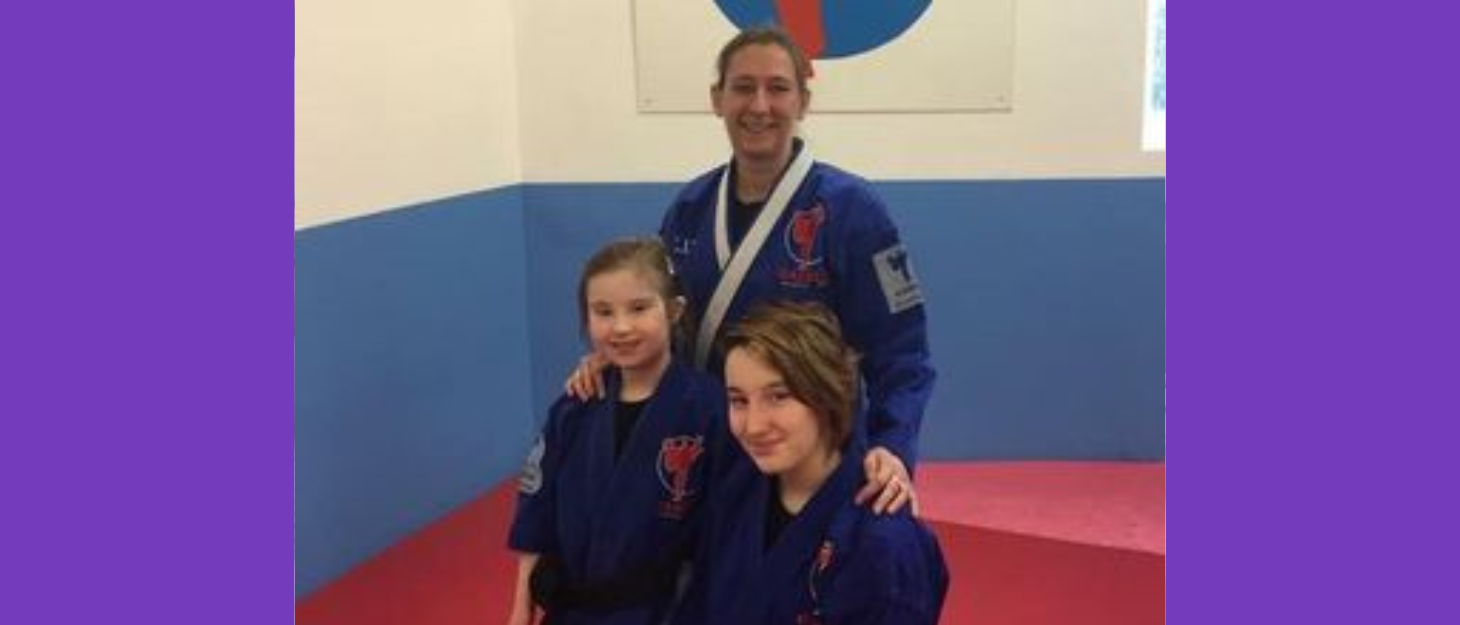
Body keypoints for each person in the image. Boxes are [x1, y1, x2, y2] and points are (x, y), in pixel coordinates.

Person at [570, 25, 935, 515]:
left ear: (803, 102)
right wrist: (617, 355)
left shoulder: (854, 211)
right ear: (717, 99)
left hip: (809, 458)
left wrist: (892, 444)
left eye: (778, 88)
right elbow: (664, 322)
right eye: (743, 87)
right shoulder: (690, 209)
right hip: (707, 448)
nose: (759, 105)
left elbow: (903, 351)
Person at [672, 301, 948, 625]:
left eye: (778, 396)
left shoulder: (882, 540)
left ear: (827, 395)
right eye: (739, 400)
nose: (754, 425)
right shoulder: (735, 496)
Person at [508, 238, 727, 625]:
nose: (621, 327)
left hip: (664, 612)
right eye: (603, 312)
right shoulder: (574, 407)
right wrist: (521, 605)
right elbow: (536, 512)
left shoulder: (709, 409)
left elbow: (725, 530)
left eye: (639, 308)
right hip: (571, 610)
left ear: (674, 311)